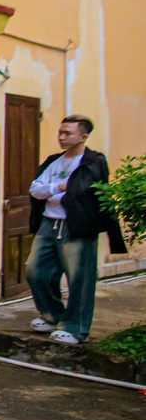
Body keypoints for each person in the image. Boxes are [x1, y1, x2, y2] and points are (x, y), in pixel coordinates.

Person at [26, 114, 127, 344]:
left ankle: (75, 328)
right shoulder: (54, 161)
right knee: (35, 271)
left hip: (77, 226)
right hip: (48, 223)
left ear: (83, 136)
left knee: (79, 277)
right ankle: (53, 316)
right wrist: (59, 186)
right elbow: (35, 189)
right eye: (60, 132)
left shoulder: (93, 162)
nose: (61, 137)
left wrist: (54, 189)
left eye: (67, 133)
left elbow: (81, 192)